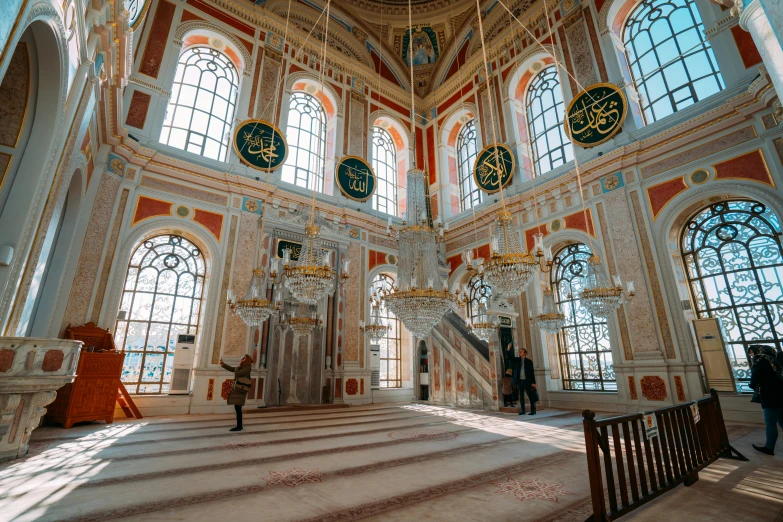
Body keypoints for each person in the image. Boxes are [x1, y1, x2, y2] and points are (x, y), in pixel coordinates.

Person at [748, 344, 783, 455]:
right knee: (781, 420)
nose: (751, 355)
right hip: (781, 395)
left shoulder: (761, 362)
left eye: (753, 352)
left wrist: (753, 385)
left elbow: (754, 380)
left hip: (770, 396)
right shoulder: (775, 361)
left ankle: (769, 448)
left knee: (770, 423)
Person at [220, 354, 253, 432]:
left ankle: (239, 426)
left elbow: (237, 373)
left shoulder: (247, 368)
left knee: (238, 409)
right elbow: (233, 369)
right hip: (238, 389)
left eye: (243, 358)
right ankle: (239, 425)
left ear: (247, 359)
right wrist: (223, 365)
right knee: (237, 408)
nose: (241, 359)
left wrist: (239, 365)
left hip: (240, 390)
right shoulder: (242, 367)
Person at [512, 347, 537, 415]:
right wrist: (508, 349)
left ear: (525, 353)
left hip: (527, 381)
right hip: (520, 381)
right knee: (521, 397)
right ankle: (523, 411)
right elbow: (510, 357)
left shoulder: (529, 362)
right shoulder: (517, 360)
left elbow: (532, 373)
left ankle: (533, 411)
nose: (520, 352)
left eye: (521, 351)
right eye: (519, 351)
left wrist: (533, 382)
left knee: (530, 396)